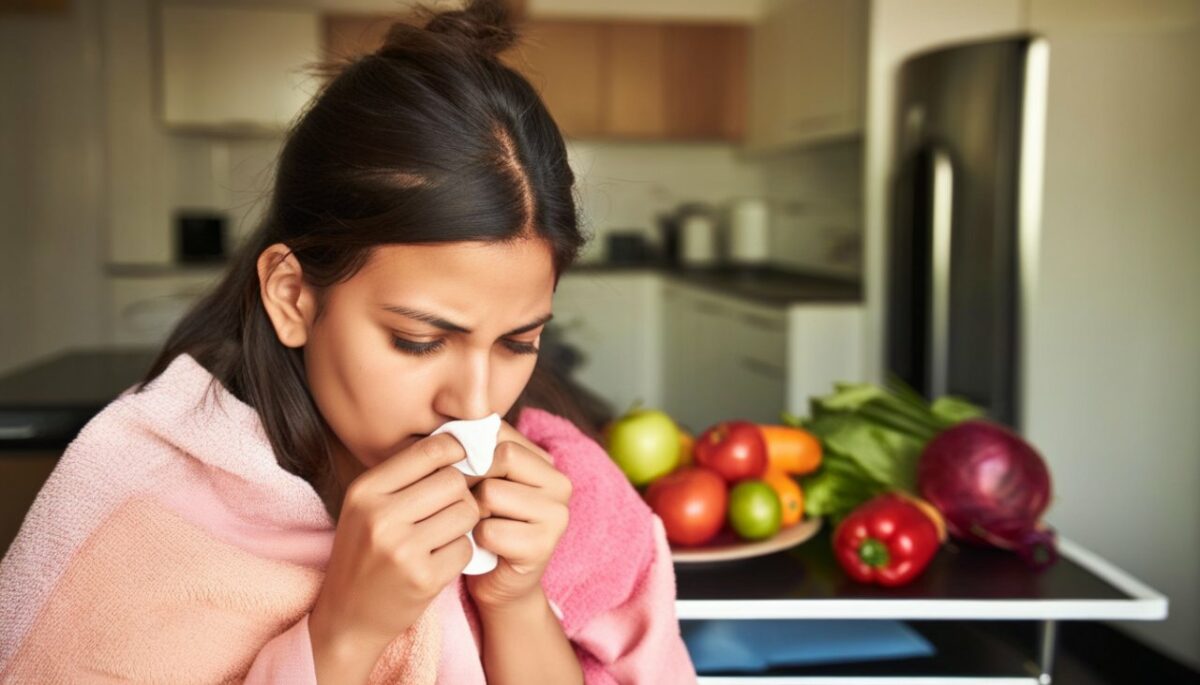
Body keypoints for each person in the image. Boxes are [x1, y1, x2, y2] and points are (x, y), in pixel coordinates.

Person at [0, 1, 697, 682]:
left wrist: (514, 602)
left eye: (518, 342)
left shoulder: (565, 496)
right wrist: (346, 629)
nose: (477, 400)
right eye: (419, 340)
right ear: (293, 296)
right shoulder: (144, 506)